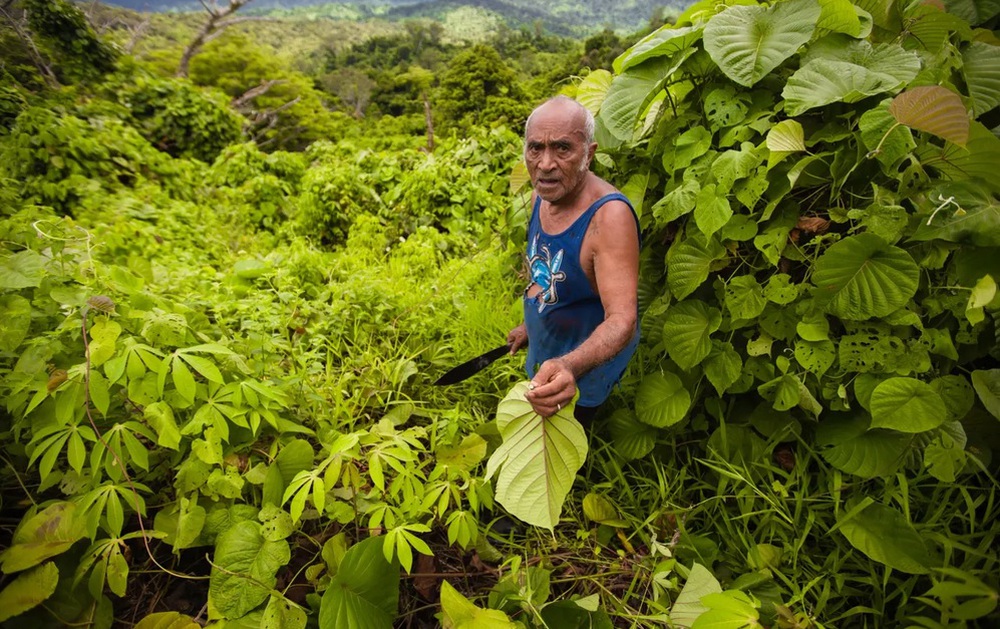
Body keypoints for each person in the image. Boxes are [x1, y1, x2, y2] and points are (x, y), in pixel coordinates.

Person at [506, 96, 640, 423]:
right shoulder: (546, 191)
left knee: (572, 440)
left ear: (589, 154)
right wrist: (531, 325)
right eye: (535, 148)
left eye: (562, 148)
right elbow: (549, 269)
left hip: (584, 365)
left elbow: (623, 319)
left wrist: (570, 366)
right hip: (547, 346)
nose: (546, 163)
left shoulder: (608, 218)